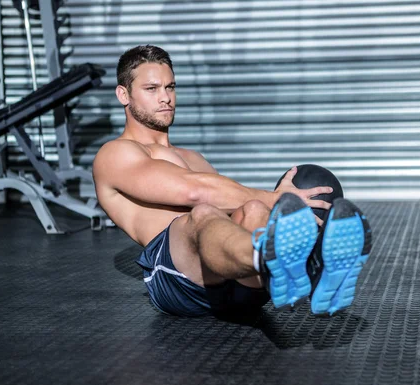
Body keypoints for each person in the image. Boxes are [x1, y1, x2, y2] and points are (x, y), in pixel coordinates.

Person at [93, 45, 372, 317]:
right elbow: (195, 192)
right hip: (179, 282)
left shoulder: (193, 157)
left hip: (238, 282)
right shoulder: (116, 153)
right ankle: (282, 261)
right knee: (203, 213)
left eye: (170, 87)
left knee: (253, 210)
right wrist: (276, 198)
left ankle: (303, 272)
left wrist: (272, 210)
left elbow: (231, 203)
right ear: (123, 95)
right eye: (151, 89)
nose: (165, 97)